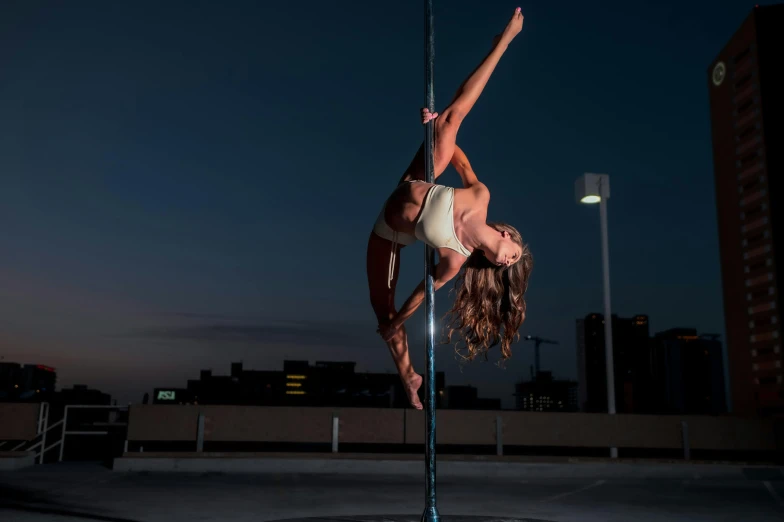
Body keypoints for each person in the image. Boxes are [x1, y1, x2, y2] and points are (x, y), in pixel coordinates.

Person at [366, 7, 533, 409]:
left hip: (388, 231)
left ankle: (409, 378)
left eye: (506, 266)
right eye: (515, 257)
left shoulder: (456, 259)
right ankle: (504, 42)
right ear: (507, 236)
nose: (508, 262)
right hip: (415, 180)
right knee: (454, 117)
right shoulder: (481, 197)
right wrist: (437, 126)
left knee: (382, 310)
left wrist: (398, 321)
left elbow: (424, 291)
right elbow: (459, 160)